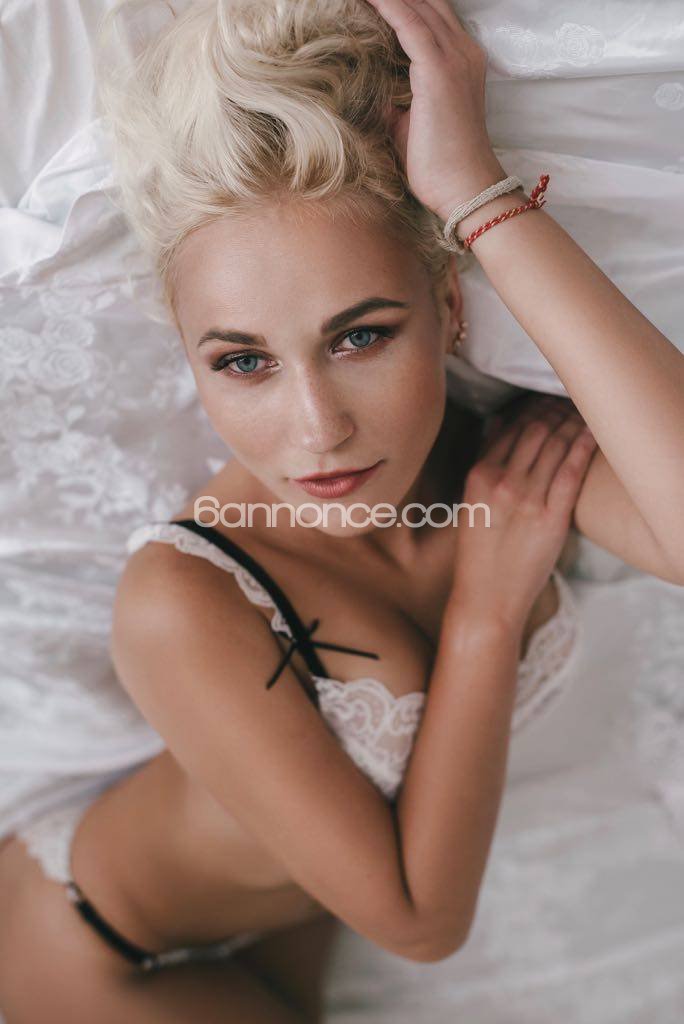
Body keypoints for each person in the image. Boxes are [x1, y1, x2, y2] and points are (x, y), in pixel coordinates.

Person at [1, 1, 682, 1021]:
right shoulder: (183, 599)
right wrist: (487, 613)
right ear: (189, 355)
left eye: (361, 337)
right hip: (100, 952)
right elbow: (417, 920)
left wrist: (481, 199)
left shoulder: (497, 455)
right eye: (243, 362)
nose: (318, 431)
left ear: (450, 305)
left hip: (288, 938)